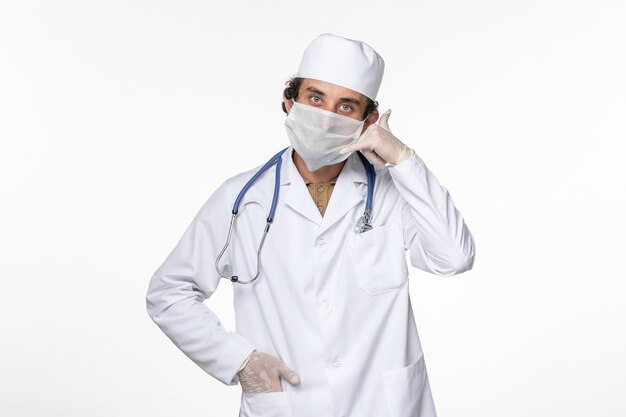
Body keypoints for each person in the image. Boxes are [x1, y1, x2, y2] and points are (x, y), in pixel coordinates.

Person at [146, 33, 476, 417]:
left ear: (368, 121)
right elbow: (168, 293)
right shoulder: (242, 199)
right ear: (289, 102)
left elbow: (454, 256)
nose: (327, 115)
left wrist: (403, 158)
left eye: (346, 106)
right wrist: (239, 360)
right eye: (315, 98)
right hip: (286, 403)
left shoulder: (392, 192)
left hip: (382, 406)